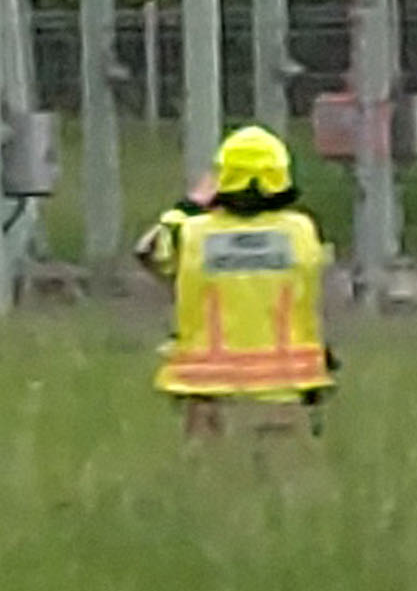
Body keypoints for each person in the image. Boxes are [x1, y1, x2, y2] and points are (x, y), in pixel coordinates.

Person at [135, 122, 331, 438]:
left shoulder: (192, 233)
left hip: (207, 390)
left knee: (210, 479)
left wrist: (190, 204)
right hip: (284, 388)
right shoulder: (301, 231)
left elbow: (147, 251)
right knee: (287, 481)